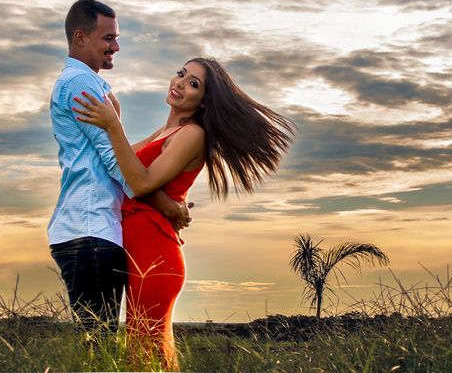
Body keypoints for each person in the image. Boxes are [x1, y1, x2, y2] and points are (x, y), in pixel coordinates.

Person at [72, 57, 295, 369]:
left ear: (203, 102)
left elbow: (139, 181)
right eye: (181, 74)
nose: (179, 83)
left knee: (144, 358)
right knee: (144, 356)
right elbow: (117, 171)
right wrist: (114, 124)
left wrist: (113, 125)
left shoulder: (191, 135)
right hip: (138, 249)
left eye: (193, 84)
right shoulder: (164, 131)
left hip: (155, 255)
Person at [47, 0, 191, 333]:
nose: (117, 46)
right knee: (101, 348)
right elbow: (116, 164)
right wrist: (169, 207)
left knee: (101, 343)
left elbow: (118, 153)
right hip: (90, 231)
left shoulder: (91, 85)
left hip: (89, 230)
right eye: (108, 38)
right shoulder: (82, 85)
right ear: (80, 38)